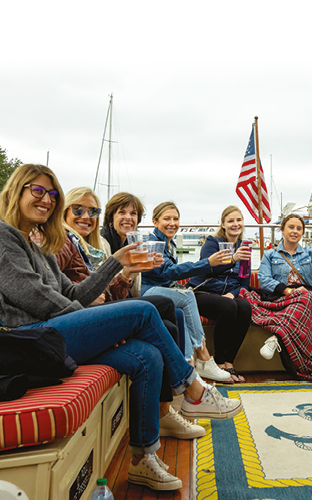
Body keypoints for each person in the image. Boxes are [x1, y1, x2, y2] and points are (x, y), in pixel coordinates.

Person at [0, 164, 242, 492]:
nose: (46, 199)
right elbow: (35, 298)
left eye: (52, 193)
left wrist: (116, 262)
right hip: (31, 341)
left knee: (147, 356)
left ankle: (144, 458)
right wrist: (96, 322)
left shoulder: (37, 245)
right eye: (37, 190)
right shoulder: (4, 236)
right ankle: (192, 388)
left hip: (52, 334)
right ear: (16, 191)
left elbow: (73, 294)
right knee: (143, 311)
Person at [58, 187, 205, 440]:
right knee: (155, 310)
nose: (85, 216)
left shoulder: (89, 246)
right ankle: (192, 385)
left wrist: (128, 272)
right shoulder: (63, 243)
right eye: (78, 210)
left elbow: (108, 293)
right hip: (74, 325)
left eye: (92, 211)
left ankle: (149, 441)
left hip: (98, 314)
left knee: (165, 330)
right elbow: (62, 294)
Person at [242, 214, 312, 380]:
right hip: (285, 298)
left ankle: (276, 337)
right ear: (282, 229)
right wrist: (287, 291)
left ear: (303, 233)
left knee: (307, 296)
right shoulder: (270, 255)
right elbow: (264, 280)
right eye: (291, 227)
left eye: (299, 228)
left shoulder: (309, 252)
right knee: (302, 296)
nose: (295, 231)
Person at [140, 201, 231, 382]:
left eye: (176, 218)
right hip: (145, 291)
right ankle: (203, 357)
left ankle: (190, 366)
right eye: (167, 218)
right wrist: (207, 263)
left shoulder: (167, 242)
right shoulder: (152, 243)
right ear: (155, 221)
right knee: (188, 295)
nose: (172, 223)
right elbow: (166, 272)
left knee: (182, 312)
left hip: (159, 290)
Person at [186, 206, 252, 383]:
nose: (235, 224)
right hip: (201, 293)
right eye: (230, 221)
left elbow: (245, 283)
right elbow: (208, 269)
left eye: (239, 220)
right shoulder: (212, 243)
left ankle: (229, 362)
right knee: (228, 306)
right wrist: (233, 259)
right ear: (223, 224)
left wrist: (232, 293)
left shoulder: (244, 248)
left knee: (245, 306)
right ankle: (219, 363)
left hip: (225, 297)